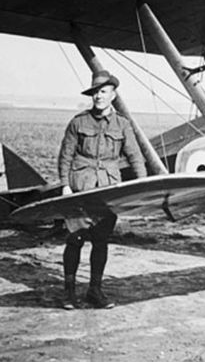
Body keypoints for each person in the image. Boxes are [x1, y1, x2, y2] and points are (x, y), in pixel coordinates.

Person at [57, 70, 146, 309]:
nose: (98, 96)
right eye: (95, 92)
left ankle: (95, 291)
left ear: (113, 95)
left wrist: (142, 186)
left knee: (101, 240)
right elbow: (65, 157)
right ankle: (69, 293)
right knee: (74, 239)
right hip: (80, 189)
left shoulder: (123, 125)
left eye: (103, 91)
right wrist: (65, 186)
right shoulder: (78, 122)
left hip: (107, 190)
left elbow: (136, 157)